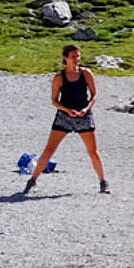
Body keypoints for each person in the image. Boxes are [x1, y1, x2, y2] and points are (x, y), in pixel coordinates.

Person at [22, 45, 107, 195]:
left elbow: (94, 95)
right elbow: (54, 100)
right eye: (73, 57)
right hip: (64, 117)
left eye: (78, 56)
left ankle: (103, 182)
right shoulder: (59, 77)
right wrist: (67, 110)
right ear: (65, 58)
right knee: (49, 150)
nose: (76, 59)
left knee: (93, 151)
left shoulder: (86, 74)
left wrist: (85, 109)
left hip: (84, 116)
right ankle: (32, 180)